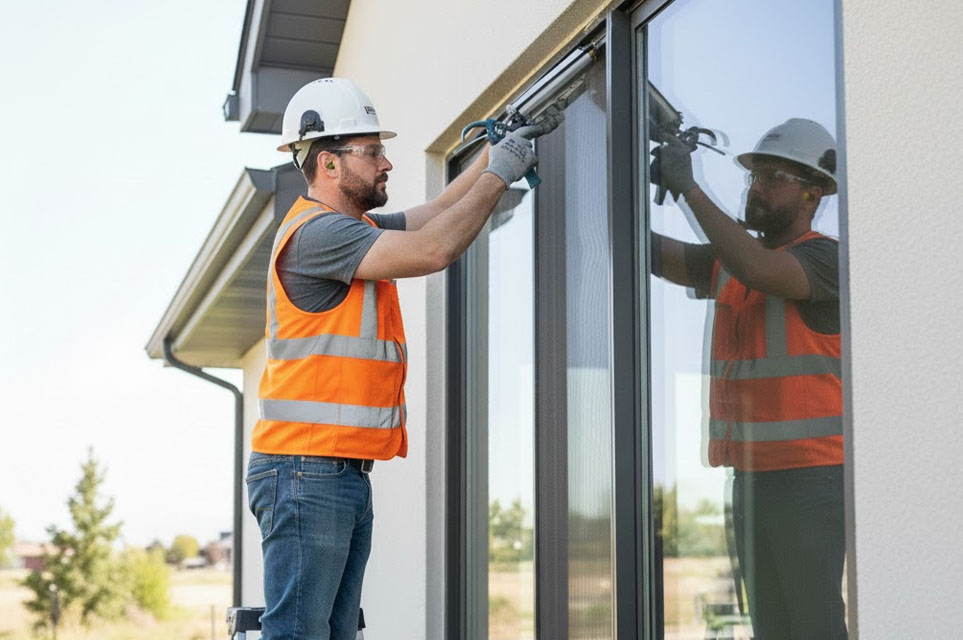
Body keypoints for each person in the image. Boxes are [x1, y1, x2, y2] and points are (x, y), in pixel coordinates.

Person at [245, 77, 562, 640]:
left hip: (332, 472)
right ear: (329, 165)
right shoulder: (318, 236)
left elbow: (439, 209)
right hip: (306, 470)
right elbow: (434, 248)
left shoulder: (352, 228)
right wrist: (501, 172)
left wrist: (498, 145)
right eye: (371, 152)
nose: (386, 162)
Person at [650, 118, 847, 640]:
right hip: (752, 480)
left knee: (814, 627)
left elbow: (758, 268)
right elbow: (653, 254)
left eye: (772, 177)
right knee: (773, 629)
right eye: (753, 176)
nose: (756, 187)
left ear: (813, 192)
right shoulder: (731, 262)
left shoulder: (825, 258)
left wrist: (689, 186)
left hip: (812, 480)